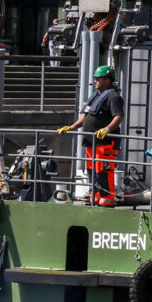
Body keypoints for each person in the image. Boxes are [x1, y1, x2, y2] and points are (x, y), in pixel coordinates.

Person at [61, 63, 125, 206]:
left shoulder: (114, 97)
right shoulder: (95, 96)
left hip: (106, 142)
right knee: (92, 169)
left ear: (107, 81)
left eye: (98, 78)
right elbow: (85, 116)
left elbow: (119, 116)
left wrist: (107, 129)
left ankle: (107, 198)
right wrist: (71, 127)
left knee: (104, 170)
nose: (95, 81)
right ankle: (95, 195)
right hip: (91, 141)